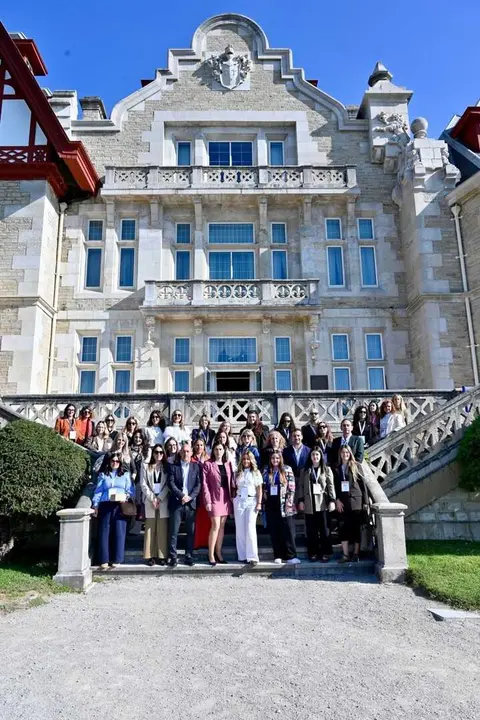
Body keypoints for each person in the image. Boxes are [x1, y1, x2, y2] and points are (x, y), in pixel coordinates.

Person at [92, 452, 135, 570]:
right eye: (113, 461)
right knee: (104, 532)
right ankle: (104, 559)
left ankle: (117, 558)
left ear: (120, 463)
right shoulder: (103, 475)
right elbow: (98, 491)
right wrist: (95, 505)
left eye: (117, 461)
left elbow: (130, 490)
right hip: (106, 504)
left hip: (120, 506)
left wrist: (126, 497)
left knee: (119, 532)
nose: (115, 463)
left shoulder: (125, 475)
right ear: (109, 462)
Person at [297, 447, 336, 562]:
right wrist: (300, 500)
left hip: (323, 503)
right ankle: (313, 552)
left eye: (317, 455)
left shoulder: (326, 469)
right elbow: (301, 486)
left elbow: (331, 485)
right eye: (313, 455)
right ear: (310, 456)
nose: (315, 457)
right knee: (311, 530)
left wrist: (332, 500)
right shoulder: (305, 470)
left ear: (321, 456)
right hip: (309, 503)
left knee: (324, 529)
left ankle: (326, 552)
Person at [167, 442, 201, 567]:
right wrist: (182, 496)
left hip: (190, 503)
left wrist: (190, 497)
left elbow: (198, 485)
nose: (186, 453)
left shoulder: (196, 467)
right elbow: (171, 484)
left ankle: (189, 556)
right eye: (183, 451)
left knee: (190, 532)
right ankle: (173, 556)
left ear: (191, 453)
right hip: (177, 502)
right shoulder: (173, 467)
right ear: (180, 453)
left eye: (188, 451)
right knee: (174, 532)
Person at [262, 451, 300, 565]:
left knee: (288, 530)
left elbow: (292, 487)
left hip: (284, 503)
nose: (275, 460)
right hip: (271, 503)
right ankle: (277, 555)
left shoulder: (287, 469)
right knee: (274, 531)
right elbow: (263, 485)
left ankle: (290, 555)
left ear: (281, 459)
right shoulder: (266, 470)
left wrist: (289, 502)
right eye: (273, 458)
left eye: (277, 458)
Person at [334, 446, 369, 563]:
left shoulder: (356, 466)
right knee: (343, 527)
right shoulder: (336, 468)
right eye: (343, 452)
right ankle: (345, 555)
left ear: (350, 454)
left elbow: (363, 485)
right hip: (342, 502)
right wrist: (337, 500)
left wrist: (365, 502)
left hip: (356, 501)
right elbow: (334, 486)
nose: (345, 454)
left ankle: (356, 554)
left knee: (356, 528)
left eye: (347, 452)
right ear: (340, 454)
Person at [202, 441, 235, 566]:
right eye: (216, 449)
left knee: (221, 526)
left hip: (225, 497)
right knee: (215, 525)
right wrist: (207, 501)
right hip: (214, 497)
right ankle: (210, 554)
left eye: (220, 449)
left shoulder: (228, 464)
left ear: (224, 450)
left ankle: (218, 553)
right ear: (213, 451)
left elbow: (231, 481)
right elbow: (205, 484)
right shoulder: (208, 464)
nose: (218, 452)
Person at [140, 444, 169, 566]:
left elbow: (168, 484)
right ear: (153, 453)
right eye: (156, 452)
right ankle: (150, 555)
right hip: (150, 500)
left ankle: (162, 555)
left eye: (161, 452)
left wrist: (160, 497)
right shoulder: (145, 466)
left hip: (163, 499)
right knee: (150, 528)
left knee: (162, 528)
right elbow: (143, 484)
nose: (158, 454)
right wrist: (152, 498)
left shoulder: (166, 467)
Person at [233, 451, 263, 565]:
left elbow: (259, 489)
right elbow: (233, 487)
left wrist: (259, 503)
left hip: (252, 501)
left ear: (251, 460)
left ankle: (252, 557)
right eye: (244, 459)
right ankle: (242, 556)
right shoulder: (237, 472)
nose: (246, 461)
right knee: (240, 529)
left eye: (248, 459)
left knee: (250, 528)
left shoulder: (256, 472)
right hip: (240, 500)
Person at [192, 439, 210, 551]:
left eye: (201, 445)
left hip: (205, 491)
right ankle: (197, 542)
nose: (199, 447)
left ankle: (207, 542)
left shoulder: (208, 459)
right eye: (197, 445)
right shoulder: (191, 458)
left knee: (206, 517)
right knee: (197, 518)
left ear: (204, 446)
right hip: (194, 491)